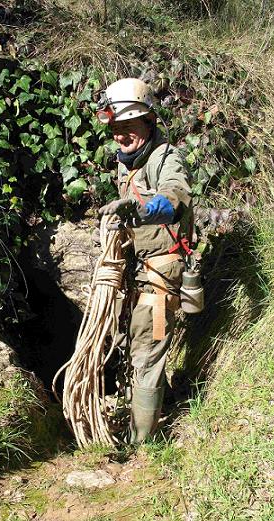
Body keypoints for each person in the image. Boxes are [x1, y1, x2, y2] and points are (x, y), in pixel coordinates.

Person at [95, 77, 193, 443]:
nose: (120, 137)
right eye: (115, 129)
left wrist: (139, 208)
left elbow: (174, 197)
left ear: (148, 123)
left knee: (148, 353)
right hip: (136, 274)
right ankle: (137, 419)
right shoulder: (129, 163)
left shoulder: (165, 158)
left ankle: (144, 445)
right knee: (130, 343)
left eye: (128, 128)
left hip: (159, 275)